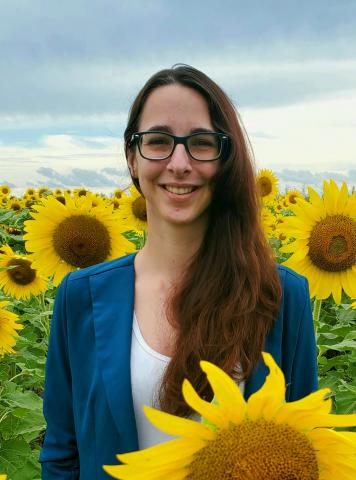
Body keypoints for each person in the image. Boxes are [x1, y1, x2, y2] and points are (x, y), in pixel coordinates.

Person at [39, 65, 318, 479]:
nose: (180, 162)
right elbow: (63, 454)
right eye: (159, 141)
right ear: (132, 158)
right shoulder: (80, 297)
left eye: (202, 143)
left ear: (226, 159)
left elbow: (303, 439)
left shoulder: (280, 295)